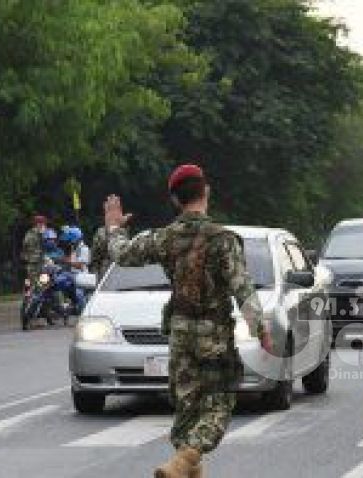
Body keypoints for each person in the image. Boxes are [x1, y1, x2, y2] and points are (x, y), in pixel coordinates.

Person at [101, 164, 263, 478]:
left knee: (187, 409)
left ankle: (185, 468)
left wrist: (114, 228)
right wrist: (261, 328)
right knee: (219, 406)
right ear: (206, 191)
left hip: (179, 333)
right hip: (213, 336)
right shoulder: (223, 240)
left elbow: (121, 254)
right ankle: (180, 464)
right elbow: (241, 287)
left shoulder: (164, 238)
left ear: (176, 200)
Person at [21, 215, 47, 285]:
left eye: (43, 223)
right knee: (32, 281)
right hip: (33, 261)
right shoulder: (30, 234)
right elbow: (25, 246)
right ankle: (30, 294)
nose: (42, 224)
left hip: (44, 261)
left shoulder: (46, 233)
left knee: (44, 281)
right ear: (36, 224)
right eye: (40, 223)